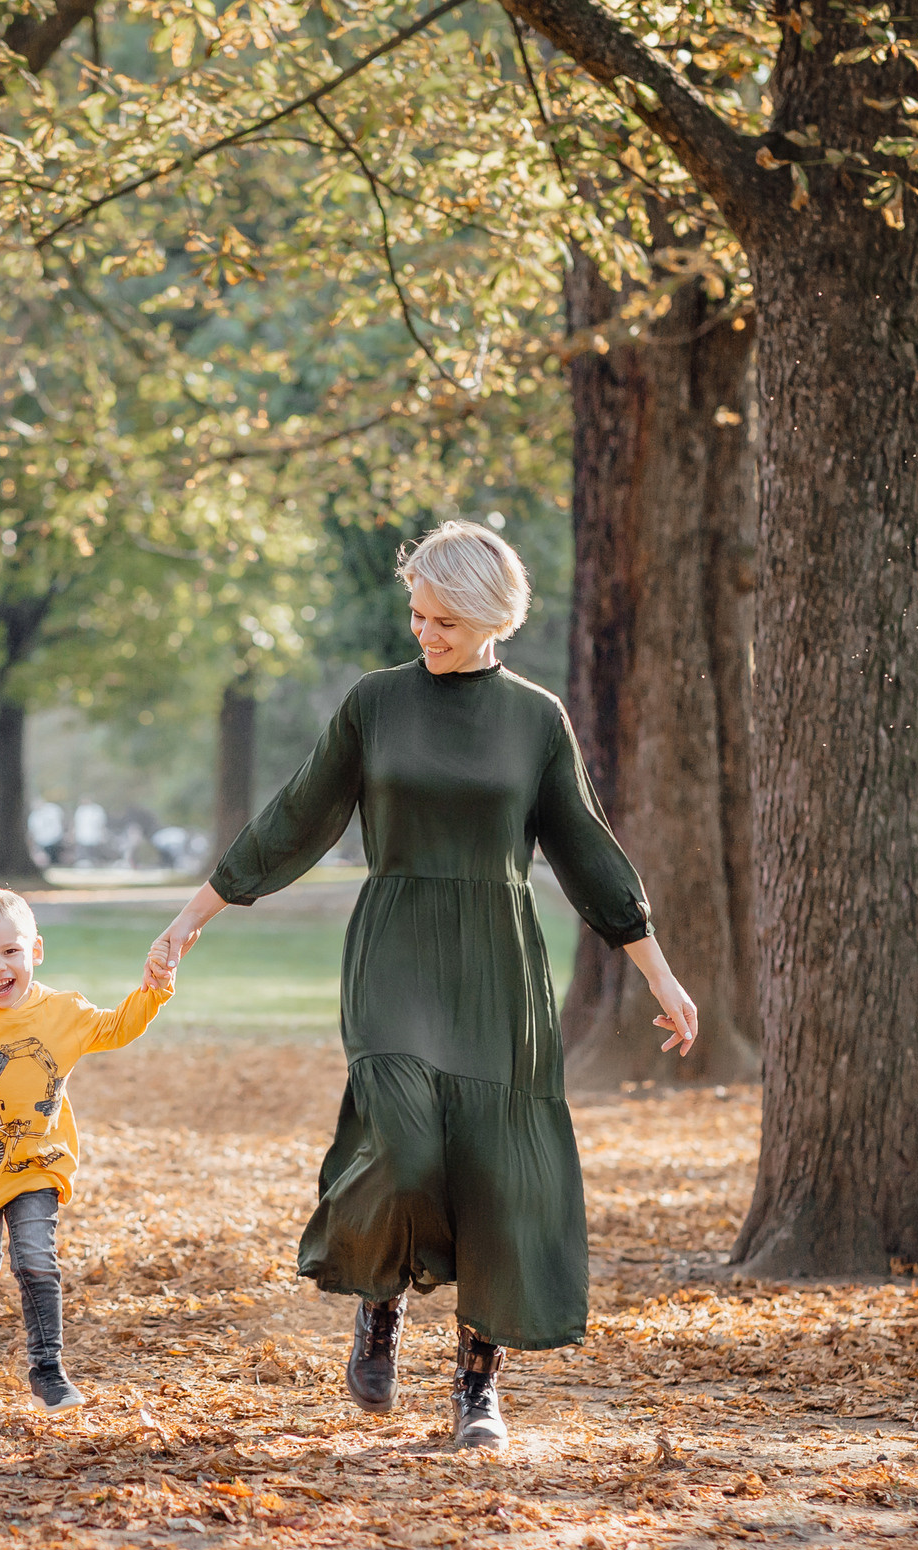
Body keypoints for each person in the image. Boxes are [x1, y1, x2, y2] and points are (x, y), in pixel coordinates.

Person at [146, 520, 699, 1453]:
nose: (424, 632)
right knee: (401, 1150)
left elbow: (586, 851)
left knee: (495, 1172)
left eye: (443, 619)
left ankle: (478, 1387)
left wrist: (660, 970)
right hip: (395, 950)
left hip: (497, 963)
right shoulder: (376, 704)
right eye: (416, 614)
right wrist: (192, 913)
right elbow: (295, 815)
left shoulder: (534, 718)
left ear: (490, 619)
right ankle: (379, 1296)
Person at [0, 889, 172, 1413]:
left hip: (38, 1164)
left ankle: (48, 1369)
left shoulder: (62, 1012)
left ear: (35, 951)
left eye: (10, 951)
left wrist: (151, 991)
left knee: (36, 1260)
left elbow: (115, 1027)